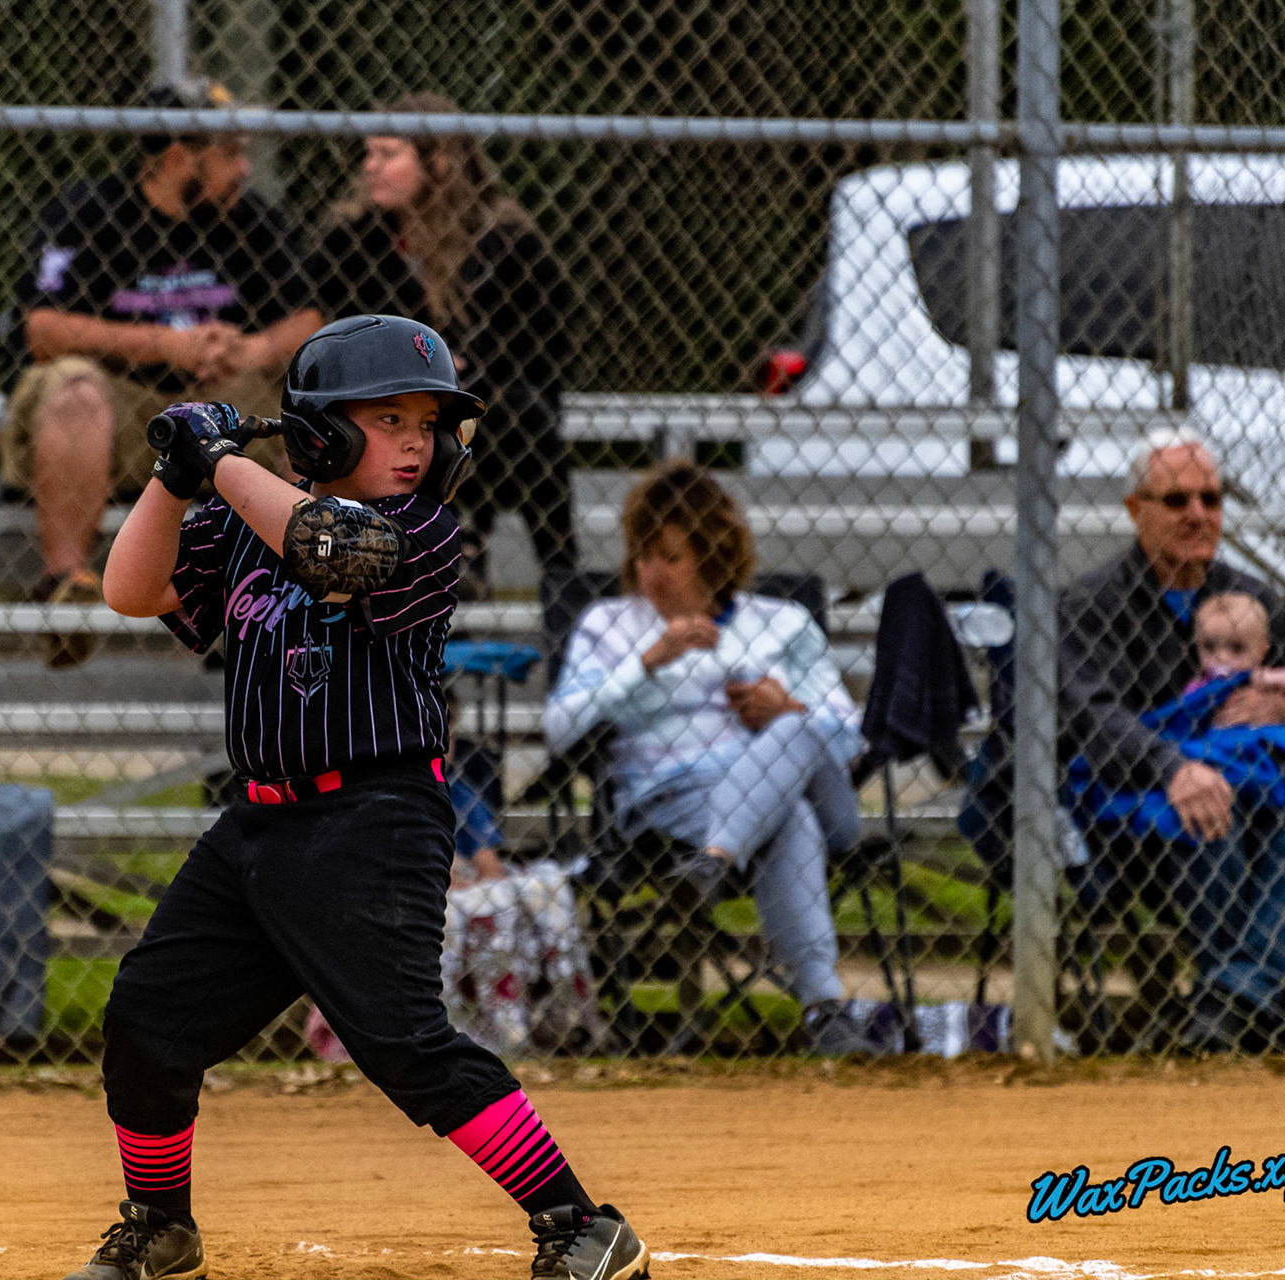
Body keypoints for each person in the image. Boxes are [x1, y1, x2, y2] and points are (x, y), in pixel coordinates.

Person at [71, 314, 649, 1280]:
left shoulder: (421, 531)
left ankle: (581, 1223)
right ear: (320, 433)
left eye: (428, 423)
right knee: (148, 1019)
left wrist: (222, 461)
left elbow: (330, 551)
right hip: (260, 824)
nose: (417, 442)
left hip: (374, 819)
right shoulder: (243, 522)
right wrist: (174, 475)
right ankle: (161, 1225)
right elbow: (130, 590)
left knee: (402, 1043)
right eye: (388, 421)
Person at [543, 460, 876, 1057]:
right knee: (789, 818)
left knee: (798, 728)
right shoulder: (610, 625)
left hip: (817, 794)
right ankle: (826, 1013)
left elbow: (851, 735)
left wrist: (785, 707)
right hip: (670, 799)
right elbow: (559, 729)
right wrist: (646, 662)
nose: (651, 572)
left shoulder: (783, 622)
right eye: (643, 555)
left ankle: (712, 864)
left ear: (713, 555)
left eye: (671, 557)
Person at [0, 77, 320, 665]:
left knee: (302, 397)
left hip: (219, 410)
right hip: (121, 413)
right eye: (229, 153)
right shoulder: (90, 212)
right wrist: (165, 345)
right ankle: (66, 586)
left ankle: (295, 591)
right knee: (72, 386)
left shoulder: (248, 219)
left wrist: (248, 349)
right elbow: (43, 329)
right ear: (177, 158)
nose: (244, 168)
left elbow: (306, 319)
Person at [1058, 428, 1285, 1052]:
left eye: (1211, 498)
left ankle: (1226, 1004)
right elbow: (1094, 717)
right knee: (1207, 808)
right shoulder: (1089, 604)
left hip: (1255, 784)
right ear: (1136, 510)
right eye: (1177, 500)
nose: (1198, 514)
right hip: (1139, 797)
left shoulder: (1257, 601)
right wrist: (1172, 767)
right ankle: (1247, 1006)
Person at [306, 92, 578, 601]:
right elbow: (334, 331)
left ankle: (562, 583)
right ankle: (456, 547)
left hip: (488, 406)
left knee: (520, 414)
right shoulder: (355, 239)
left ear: (439, 163)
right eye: (369, 153)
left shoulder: (502, 237)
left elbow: (543, 340)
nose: (369, 166)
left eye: (388, 153)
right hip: (382, 402)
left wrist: (466, 368)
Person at [1183, 592, 1285, 703]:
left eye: (1237, 648)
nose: (1221, 657)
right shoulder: (1198, 686)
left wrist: (1271, 679)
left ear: (1262, 649)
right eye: (1209, 647)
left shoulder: (1261, 678)